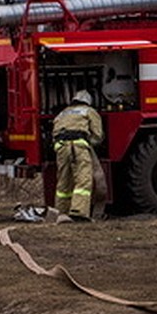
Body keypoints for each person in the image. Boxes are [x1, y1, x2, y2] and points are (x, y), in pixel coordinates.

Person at [52, 89, 104, 222]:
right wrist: (89, 143)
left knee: (64, 180)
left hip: (61, 147)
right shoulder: (89, 111)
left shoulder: (63, 113)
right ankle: (78, 212)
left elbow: (54, 132)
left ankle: (61, 212)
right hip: (78, 147)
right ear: (88, 102)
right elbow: (97, 136)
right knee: (83, 179)